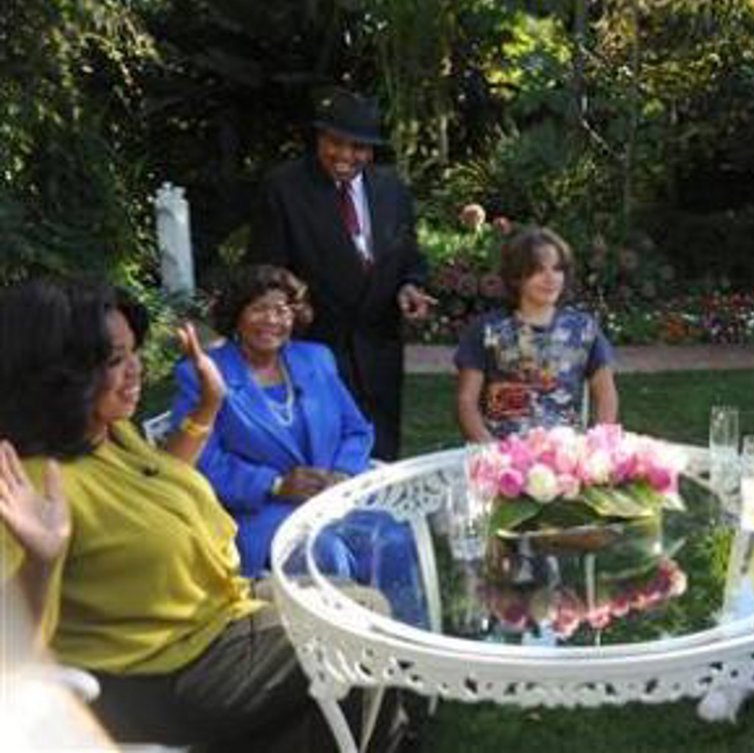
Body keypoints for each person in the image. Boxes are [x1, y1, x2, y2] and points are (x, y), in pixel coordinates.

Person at [0, 278, 414, 751]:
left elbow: (158, 484)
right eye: (115, 359)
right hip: (163, 671)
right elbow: (11, 651)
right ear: (57, 373)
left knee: (360, 605)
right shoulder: (27, 483)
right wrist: (41, 560)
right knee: (360, 632)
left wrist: (207, 409)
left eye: (134, 352)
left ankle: (374, 737)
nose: (136, 369)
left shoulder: (107, 434)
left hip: (217, 615)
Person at [167, 265, 426, 625]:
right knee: (324, 553)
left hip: (332, 498)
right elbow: (203, 462)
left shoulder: (315, 359)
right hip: (261, 512)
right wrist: (275, 484)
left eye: (282, 310)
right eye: (259, 309)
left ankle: (403, 641)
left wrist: (342, 473)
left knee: (394, 537)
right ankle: (339, 651)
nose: (272, 320)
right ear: (236, 316)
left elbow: (356, 430)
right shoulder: (204, 374)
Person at [248, 87, 435, 461]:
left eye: (359, 147)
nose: (346, 155)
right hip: (316, 352)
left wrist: (410, 286)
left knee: (381, 463)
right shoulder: (284, 188)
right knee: (326, 466)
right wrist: (291, 308)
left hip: (380, 355)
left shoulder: (392, 190)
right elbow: (264, 272)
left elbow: (408, 256)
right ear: (319, 138)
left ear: (372, 150)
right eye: (336, 142)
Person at [454, 226, 618, 441]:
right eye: (539, 270)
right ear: (516, 277)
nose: (551, 278)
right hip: (503, 450)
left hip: (565, 451)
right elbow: (466, 401)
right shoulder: (486, 329)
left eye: (557, 269)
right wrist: (490, 450)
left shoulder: (584, 329)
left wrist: (597, 445)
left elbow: (606, 396)